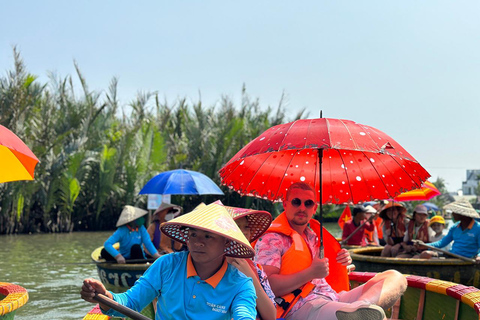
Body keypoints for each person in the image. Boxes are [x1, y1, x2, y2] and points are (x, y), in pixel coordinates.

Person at [255, 182, 407, 320]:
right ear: (285, 204)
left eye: (308, 203)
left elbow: (319, 270)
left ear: (314, 208)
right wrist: (310, 273)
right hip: (302, 306)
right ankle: (357, 312)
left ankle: (360, 307)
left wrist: (341, 261)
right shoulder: (271, 238)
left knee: (396, 277)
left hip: (333, 297)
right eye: (296, 202)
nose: (302, 208)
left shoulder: (312, 236)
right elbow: (267, 287)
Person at [81, 202, 258, 319]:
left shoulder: (241, 285)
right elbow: (131, 302)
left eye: (207, 236)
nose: (197, 242)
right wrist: (105, 297)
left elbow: (244, 315)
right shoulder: (166, 265)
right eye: (193, 234)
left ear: (226, 242)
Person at [224, 204, 276, 320]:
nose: (243, 232)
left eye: (246, 227)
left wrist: (250, 275)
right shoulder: (212, 266)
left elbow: (271, 315)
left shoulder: (256, 269)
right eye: (237, 226)